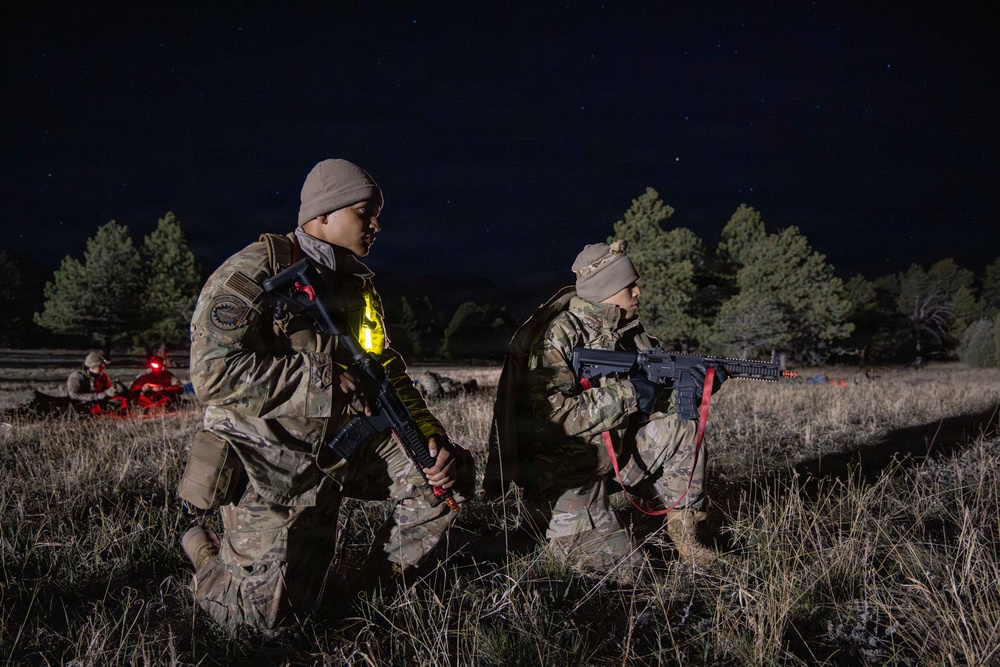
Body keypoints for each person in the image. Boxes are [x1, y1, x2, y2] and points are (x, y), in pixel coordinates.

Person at [178, 158, 475, 634]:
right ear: (322, 217)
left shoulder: (358, 287)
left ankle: (370, 596)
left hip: (343, 442)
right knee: (258, 626)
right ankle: (203, 553)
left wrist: (428, 434)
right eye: (365, 212)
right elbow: (213, 374)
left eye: (377, 214)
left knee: (441, 477)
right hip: (270, 457)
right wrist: (320, 378)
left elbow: (385, 369)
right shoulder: (255, 271)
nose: (376, 225)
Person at [484, 240, 723, 578]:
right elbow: (553, 417)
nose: (638, 291)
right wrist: (628, 393)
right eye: (630, 286)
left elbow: (657, 401)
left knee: (684, 426)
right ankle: (541, 524)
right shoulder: (559, 335)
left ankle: (685, 538)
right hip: (564, 476)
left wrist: (691, 385)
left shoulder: (633, 334)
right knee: (635, 574)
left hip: (611, 460)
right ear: (608, 290)